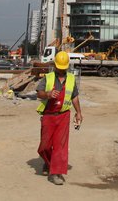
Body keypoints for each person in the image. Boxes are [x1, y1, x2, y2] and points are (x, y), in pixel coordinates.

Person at [36, 50, 83, 185]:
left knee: (60, 146)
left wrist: (78, 112)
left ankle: (56, 173)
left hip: (63, 115)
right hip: (48, 115)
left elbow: (74, 96)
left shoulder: (71, 79)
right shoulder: (48, 77)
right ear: (55, 66)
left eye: (64, 68)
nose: (62, 70)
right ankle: (48, 162)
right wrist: (48, 94)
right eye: (59, 68)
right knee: (44, 146)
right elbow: (39, 93)